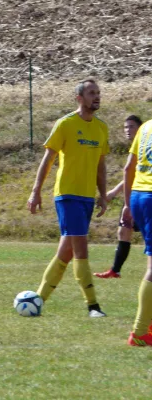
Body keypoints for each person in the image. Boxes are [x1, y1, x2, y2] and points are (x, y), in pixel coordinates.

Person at [27, 79, 109, 317]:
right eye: (91, 93)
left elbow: (100, 165)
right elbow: (48, 158)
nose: (97, 96)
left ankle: (38, 299)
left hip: (86, 197)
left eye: (98, 93)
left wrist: (103, 195)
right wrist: (36, 190)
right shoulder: (65, 124)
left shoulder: (101, 128)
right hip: (67, 195)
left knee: (66, 252)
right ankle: (93, 306)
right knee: (81, 249)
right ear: (79, 98)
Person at [95, 115, 143, 279]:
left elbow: (131, 173)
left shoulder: (145, 147)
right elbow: (130, 176)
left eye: (131, 127)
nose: (128, 130)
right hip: (136, 195)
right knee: (124, 231)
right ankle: (115, 270)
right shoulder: (135, 148)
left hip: (143, 196)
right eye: (125, 127)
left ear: (140, 129)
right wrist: (114, 193)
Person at [123, 118, 152, 346]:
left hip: (138, 196)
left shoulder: (145, 127)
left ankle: (147, 326)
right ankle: (140, 332)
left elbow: (128, 168)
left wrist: (127, 205)